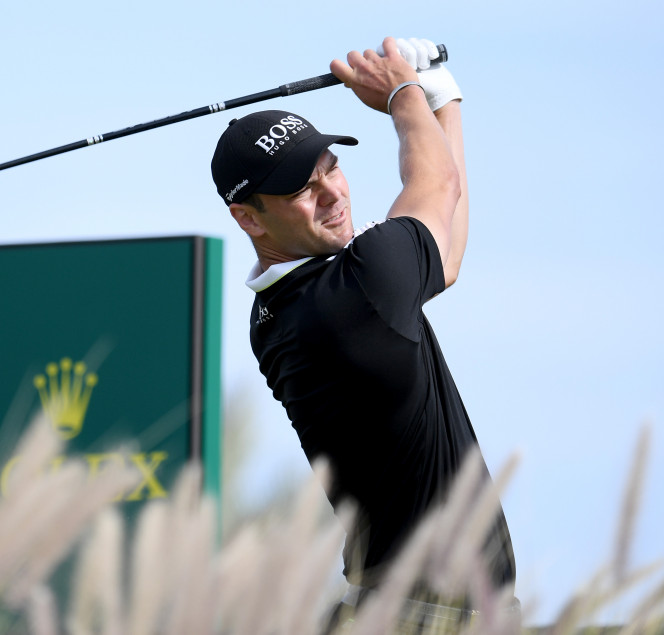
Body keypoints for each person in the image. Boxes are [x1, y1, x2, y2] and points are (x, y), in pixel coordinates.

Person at [210, 37, 516, 624]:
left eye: (332, 169)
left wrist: (440, 98)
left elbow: (441, 253)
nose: (332, 194)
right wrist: (404, 93)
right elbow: (438, 188)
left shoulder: (282, 311)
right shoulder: (354, 293)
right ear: (249, 217)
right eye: (303, 188)